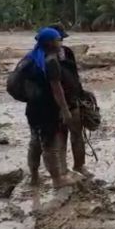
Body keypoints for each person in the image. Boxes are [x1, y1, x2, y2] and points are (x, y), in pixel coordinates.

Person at [25, 27, 80, 189]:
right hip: (47, 110)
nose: (60, 43)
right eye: (58, 40)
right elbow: (57, 89)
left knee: (35, 142)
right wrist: (65, 110)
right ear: (50, 43)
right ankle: (57, 180)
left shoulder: (32, 57)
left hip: (33, 108)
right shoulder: (51, 61)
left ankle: (34, 177)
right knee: (49, 146)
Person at [48, 22, 92, 179]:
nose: (61, 43)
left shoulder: (67, 52)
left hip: (74, 102)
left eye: (62, 39)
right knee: (60, 138)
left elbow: (74, 75)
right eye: (59, 40)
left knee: (77, 136)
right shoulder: (46, 58)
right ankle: (62, 169)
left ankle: (79, 165)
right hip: (55, 106)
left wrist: (81, 93)